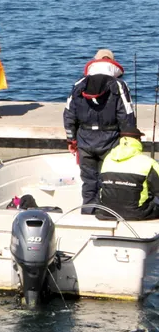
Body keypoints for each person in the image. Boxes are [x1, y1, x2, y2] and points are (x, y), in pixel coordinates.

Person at [63, 48, 137, 205]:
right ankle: (107, 215)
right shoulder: (119, 85)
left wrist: (72, 140)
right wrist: (130, 140)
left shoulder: (79, 85)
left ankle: (88, 212)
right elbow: (127, 115)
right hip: (111, 141)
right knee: (110, 181)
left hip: (84, 140)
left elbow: (69, 114)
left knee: (89, 183)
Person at [97, 129, 159, 220]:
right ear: (138, 141)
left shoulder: (107, 159)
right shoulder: (148, 162)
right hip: (137, 213)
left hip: (107, 212)